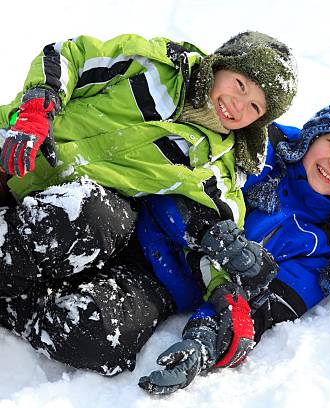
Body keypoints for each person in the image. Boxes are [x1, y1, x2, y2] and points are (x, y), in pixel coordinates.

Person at [0, 31, 297, 375]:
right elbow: (70, 56)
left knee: (97, 218)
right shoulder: (158, 66)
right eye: (241, 85)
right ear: (221, 65)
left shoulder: (218, 166)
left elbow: (217, 237)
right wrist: (40, 104)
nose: (238, 105)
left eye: (255, 107)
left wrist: (228, 297)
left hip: (60, 202)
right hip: (21, 145)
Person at [136, 95, 330, 394]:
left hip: (165, 285)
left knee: (95, 333)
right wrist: (212, 235)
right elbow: (183, 181)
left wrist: (206, 340)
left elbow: (260, 309)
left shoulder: (329, 251)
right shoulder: (260, 146)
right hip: (136, 218)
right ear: (312, 135)